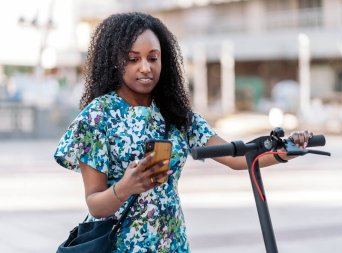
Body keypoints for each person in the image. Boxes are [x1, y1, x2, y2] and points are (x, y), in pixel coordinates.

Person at [54, 12, 311, 253]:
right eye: (133, 59)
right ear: (114, 62)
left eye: (153, 58)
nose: (145, 67)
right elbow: (95, 205)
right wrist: (125, 187)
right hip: (119, 245)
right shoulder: (98, 116)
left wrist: (288, 149)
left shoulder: (175, 114)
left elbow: (236, 158)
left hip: (171, 243)